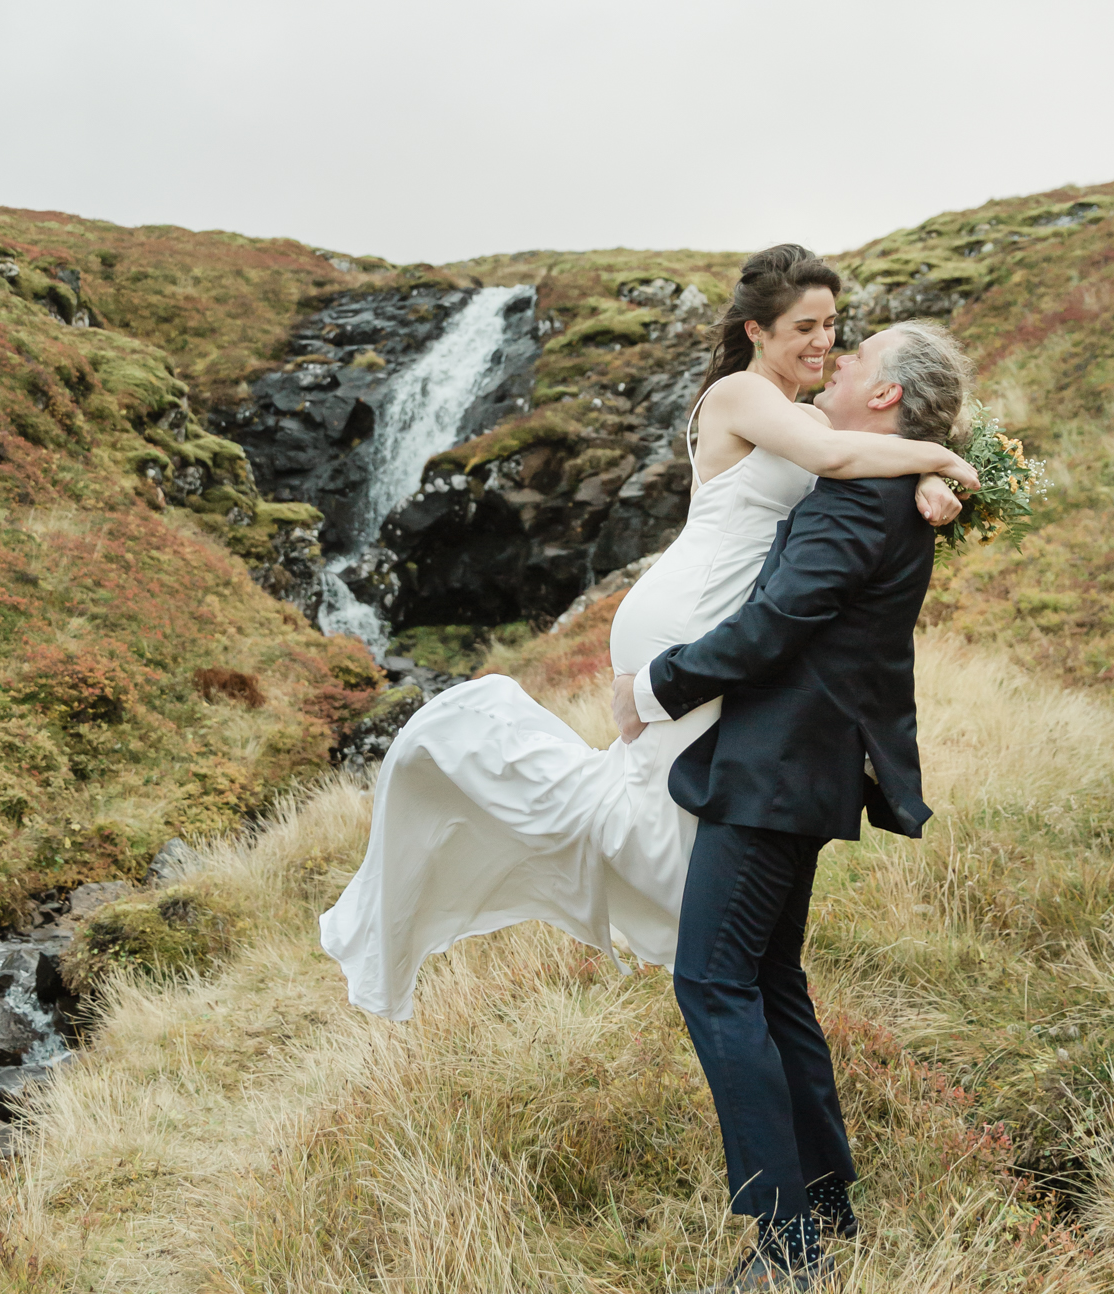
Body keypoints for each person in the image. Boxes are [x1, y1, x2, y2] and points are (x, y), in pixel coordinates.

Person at [320, 245, 974, 1026]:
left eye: (833, 325)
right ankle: (474, 750)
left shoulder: (802, 413)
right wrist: (942, 457)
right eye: (804, 326)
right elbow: (839, 455)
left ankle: (720, 958)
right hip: (688, 616)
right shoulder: (740, 394)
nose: (822, 342)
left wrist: (927, 479)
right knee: (647, 822)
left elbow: (861, 452)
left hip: (710, 623)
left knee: (662, 816)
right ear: (757, 331)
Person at [610, 310, 973, 1294]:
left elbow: (777, 624)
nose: (839, 359)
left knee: (713, 982)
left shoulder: (863, 501)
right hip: (795, 765)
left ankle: (785, 1250)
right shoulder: (887, 485)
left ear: (885, 395)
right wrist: (939, 478)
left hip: (775, 769)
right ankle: (828, 1205)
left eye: (856, 356)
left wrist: (656, 687)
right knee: (768, 979)